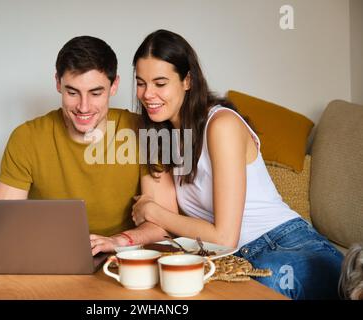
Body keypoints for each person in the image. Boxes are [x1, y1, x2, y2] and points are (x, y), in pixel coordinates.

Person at [0, 35, 175, 299]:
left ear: (114, 85)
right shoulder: (27, 137)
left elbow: (163, 224)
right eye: (72, 92)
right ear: (57, 83)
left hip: (119, 264)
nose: (83, 107)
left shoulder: (144, 133)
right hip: (48, 264)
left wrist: (117, 241)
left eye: (96, 92)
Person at [130, 29, 343, 300]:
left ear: (187, 81)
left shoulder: (221, 124)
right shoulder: (156, 137)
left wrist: (152, 211)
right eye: (141, 83)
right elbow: (166, 227)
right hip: (232, 260)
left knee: (269, 278)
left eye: (160, 83)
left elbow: (222, 237)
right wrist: (120, 240)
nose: (148, 94)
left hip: (287, 244)